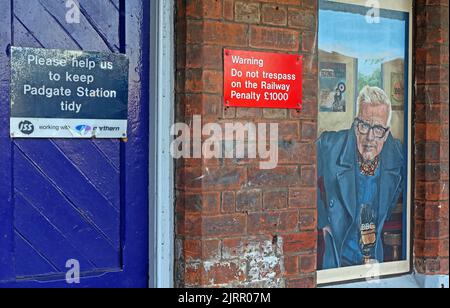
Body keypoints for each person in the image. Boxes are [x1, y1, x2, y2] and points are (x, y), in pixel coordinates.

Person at [317, 86, 404, 269]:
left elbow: (399, 187)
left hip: (373, 258)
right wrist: (322, 220)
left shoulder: (397, 154)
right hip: (338, 254)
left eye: (378, 128)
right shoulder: (330, 145)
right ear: (356, 124)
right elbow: (302, 177)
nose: (370, 137)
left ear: (386, 133)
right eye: (364, 126)